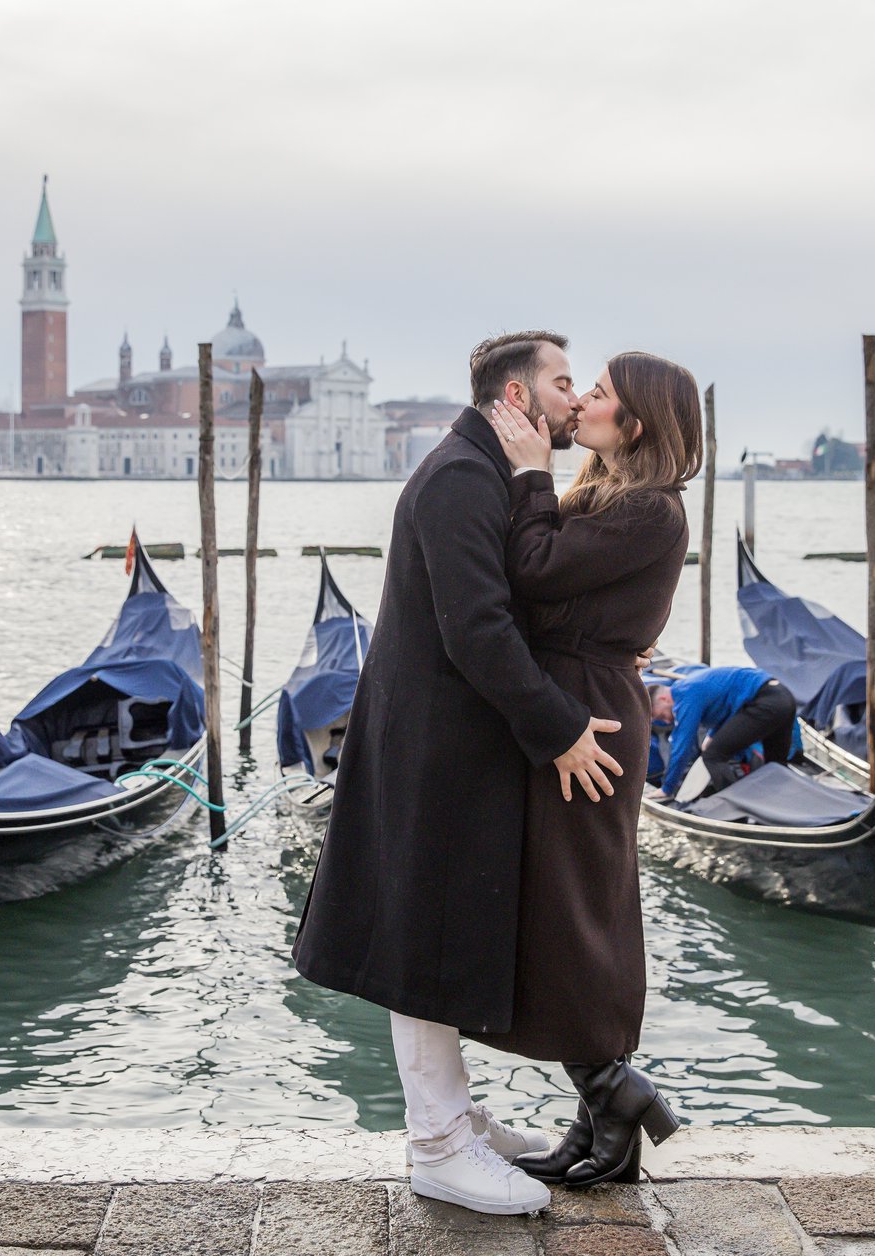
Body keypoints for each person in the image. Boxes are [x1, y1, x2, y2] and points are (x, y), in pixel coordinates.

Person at [293, 331, 626, 1217]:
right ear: (517, 397)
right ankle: (438, 1146)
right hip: (433, 746)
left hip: (455, 741)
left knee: (438, 936)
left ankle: (454, 1118)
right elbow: (477, 628)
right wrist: (561, 728)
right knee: (421, 941)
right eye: (563, 382)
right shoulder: (460, 479)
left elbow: (516, 600)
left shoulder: (481, 469)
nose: (574, 399)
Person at [480, 350, 700, 1190]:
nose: (582, 403)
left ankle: (614, 1090)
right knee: (566, 905)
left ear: (635, 423)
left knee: (577, 908)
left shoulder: (650, 509)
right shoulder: (611, 498)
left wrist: (530, 474)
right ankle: (603, 1108)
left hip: (591, 717)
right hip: (578, 697)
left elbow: (536, 569)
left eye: (598, 394)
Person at [651, 666, 801, 799]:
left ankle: (737, 803)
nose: (666, 721)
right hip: (784, 697)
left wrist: (667, 788)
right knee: (775, 764)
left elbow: (682, 745)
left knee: (713, 756)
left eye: (661, 716)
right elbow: (727, 704)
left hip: (765, 702)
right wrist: (712, 735)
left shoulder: (685, 697)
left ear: (664, 699)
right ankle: (783, 804)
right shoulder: (690, 685)